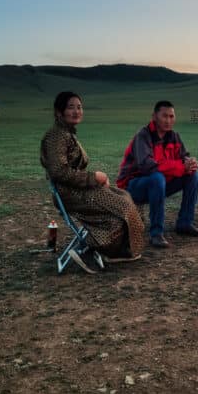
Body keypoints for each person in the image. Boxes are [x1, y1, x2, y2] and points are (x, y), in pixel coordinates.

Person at [40, 91, 144, 273]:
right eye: (71, 107)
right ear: (59, 112)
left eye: (79, 107)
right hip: (70, 193)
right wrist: (94, 178)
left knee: (124, 196)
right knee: (123, 207)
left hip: (79, 189)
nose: (76, 111)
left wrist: (96, 181)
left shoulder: (66, 133)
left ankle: (113, 248)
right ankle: (96, 246)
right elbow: (58, 172)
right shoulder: (56, 136)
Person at [117, 100, 198, 248]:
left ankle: (185, 223)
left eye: (171, 116)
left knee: (193, 175)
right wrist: (180, 166)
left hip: (159, 184)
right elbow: (147, 166)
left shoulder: (174, 136)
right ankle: (156, 233)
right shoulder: (143, 135)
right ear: (154, 116)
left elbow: (183, 156)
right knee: (157, 177)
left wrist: (190, 163)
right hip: (132, 186)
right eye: (164, 116)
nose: (168, 120)